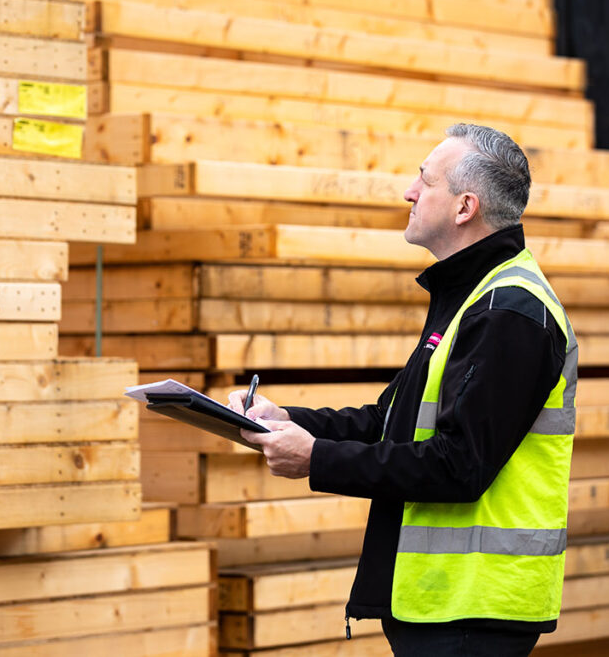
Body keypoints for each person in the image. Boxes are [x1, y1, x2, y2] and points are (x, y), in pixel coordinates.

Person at [229, 124, 578, 657]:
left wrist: (315, 459)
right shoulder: (471, 296)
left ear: (465, 207)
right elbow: (388, 421)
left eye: (424, 180)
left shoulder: (509, 313)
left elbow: (459, 464)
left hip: (471, 609)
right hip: (441, 604)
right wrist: (284, 420)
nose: (409, 192)